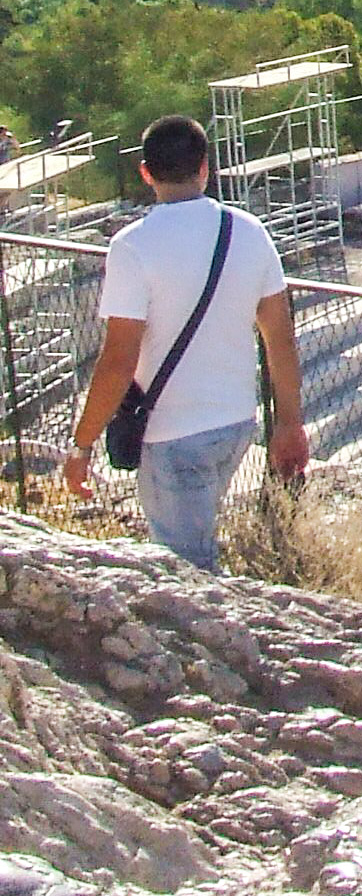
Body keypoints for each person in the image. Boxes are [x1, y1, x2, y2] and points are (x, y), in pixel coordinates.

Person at [62, 115, 309, 570]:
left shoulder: (132, 247)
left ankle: (228, 639)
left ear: (145, 173)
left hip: (174, 434)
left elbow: (118, 360)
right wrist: (289, 423)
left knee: (187, 566)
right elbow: (279, 339)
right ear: (205, 168)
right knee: (198, 548)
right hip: (236, 423)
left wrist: (82, 446)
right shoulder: (249, 231)